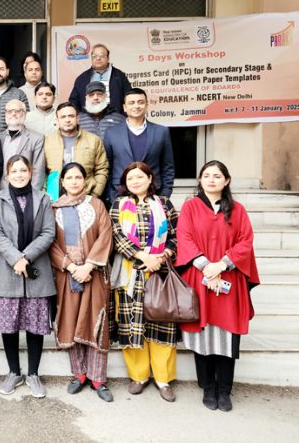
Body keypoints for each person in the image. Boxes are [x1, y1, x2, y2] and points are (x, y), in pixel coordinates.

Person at [177, 161, 260, 412]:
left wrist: (221, 265)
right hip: (199, 278)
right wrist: (206, 267)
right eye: (206, 175)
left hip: (229, 280)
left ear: (227, 180)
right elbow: (185, 237)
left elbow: (245, 242)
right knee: (202, 335)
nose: (211, 179)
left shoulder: (237, 210)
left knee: (227, 335)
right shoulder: (190, 207)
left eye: (217, 176)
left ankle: (224, 390)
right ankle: (208, 388)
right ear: (200, 180)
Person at [110, 161, 179, 402]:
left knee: (162, 324)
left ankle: (163, 378)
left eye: (140, 177)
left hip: (159, 272)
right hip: (131, 271)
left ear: (150, 179)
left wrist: (161, 257)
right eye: (130, 178)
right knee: (131, 324)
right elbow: (116, 235)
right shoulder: (119, 204)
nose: (135, 181)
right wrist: (142, 256)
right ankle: (138, 376)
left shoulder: (164, 204)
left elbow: (175, 236)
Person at [0, 155, 55, 398]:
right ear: (7, 175)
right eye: (14, 170)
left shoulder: (43, 198)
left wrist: (25, 257)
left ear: (31, 172)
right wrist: (15, 258)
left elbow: (48, 232)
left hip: (37, 270)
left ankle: (33, 374)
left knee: (36, 326)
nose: (18, 174)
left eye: (23, 170)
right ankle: (14, 372)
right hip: (6, 270)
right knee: (9, 326)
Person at [50, 162, 114, 402]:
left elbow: (106, 236)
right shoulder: (53, 209)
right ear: (63, 182)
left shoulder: (97, 205)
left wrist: (88, 266)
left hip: (94, 274)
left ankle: (99, 379)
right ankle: (79, 374)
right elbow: (51, 243)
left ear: (85, 181)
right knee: (71, 319)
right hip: (66, 275)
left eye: (79, 177)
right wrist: (71, 266)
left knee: (95, 321)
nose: (74, 182)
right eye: (70, 178)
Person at [104, 88, 175, 205]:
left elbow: (168, 167)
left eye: (140, 102)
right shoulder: (111, 133)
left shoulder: (161, 131)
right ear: (124, 107)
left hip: (154, 195)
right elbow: (107, 167)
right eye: (131, 103)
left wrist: (164, 195)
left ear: (146, 105)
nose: (136, 106)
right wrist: (112, 196)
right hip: (121, 195)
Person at [45, 102, 108, 200]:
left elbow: (102, 169)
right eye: (63, 117)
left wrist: (95, 194)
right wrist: (46, 195)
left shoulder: (93, 140)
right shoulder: (47, 141)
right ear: (57, 120)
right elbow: (41, 171)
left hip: (87, 196)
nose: (67, 120)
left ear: (78, 118)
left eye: (71, 116)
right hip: (56, 198)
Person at [69, 43, 132, 113]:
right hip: (89, 121)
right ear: (91, 58)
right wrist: (82, 118)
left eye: (101, 55)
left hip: (116, 120)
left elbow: (129, 98)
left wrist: (123, 117)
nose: (98, 58)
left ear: (108, 58)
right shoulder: (82, 79)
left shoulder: (119, 76)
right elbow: (73, 102)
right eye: (94, 56)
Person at [0, 99, 45, 191]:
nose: (13, 114)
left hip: (26, 190)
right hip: (0, 191)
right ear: (6, 114)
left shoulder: (36, 138)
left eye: (17, 111)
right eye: (10, 111)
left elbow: (38, 171)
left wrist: (32, 196)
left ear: (24, 114)